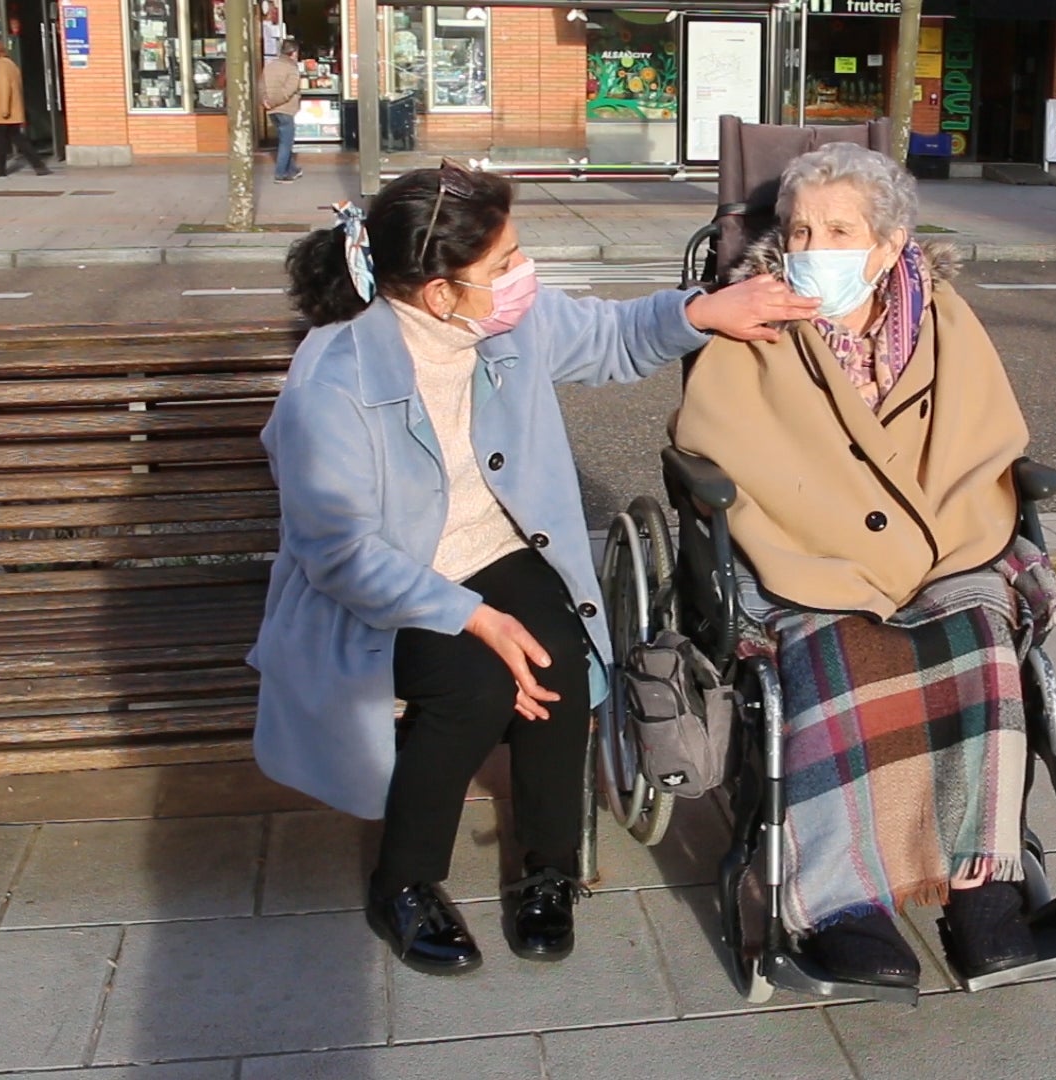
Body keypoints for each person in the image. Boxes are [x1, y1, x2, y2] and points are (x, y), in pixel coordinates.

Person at [251, 161, 817, 976]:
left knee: (560, 660)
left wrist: (706, 311)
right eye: (504, 265)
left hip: (497, 546)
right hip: (390, 581)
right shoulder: (334, 379)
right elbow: (340, 552)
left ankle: (548, 871)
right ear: (440, 293)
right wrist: (475, 619)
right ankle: (403, 882)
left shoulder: (504, 322)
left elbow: (613, 337)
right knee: (473, 685)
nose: (526, 277)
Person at [672, 142, 1056, 990]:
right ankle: (848, 900)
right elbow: (719, 439)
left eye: (840, 230)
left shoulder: (944, 317)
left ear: (889, 246)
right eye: (801, 228)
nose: (815, 247)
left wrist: (923, 542)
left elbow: (983, 436)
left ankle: (978, 892)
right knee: (839, 645)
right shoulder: (756, 317)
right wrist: (841, 530)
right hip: (807, 545)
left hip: (937, 539)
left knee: (980, 639)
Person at [0, 38, 49, 178]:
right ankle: (38, 165)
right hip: (11, 111)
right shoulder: (10, 64)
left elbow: (3, 88)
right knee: (19, 139)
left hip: (1, 113)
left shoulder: (0, 66)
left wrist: (4, 110)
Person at [262, 40, 303, 184]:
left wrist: (265, 101)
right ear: (293, 53)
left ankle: (293, 169)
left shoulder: (269, 66)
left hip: (272, 111)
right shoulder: (292, 69)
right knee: (286, 143)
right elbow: (289, 91)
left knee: (284, 141)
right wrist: (274, 102)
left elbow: (261, 86)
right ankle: (280, 174)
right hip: (285, 109)